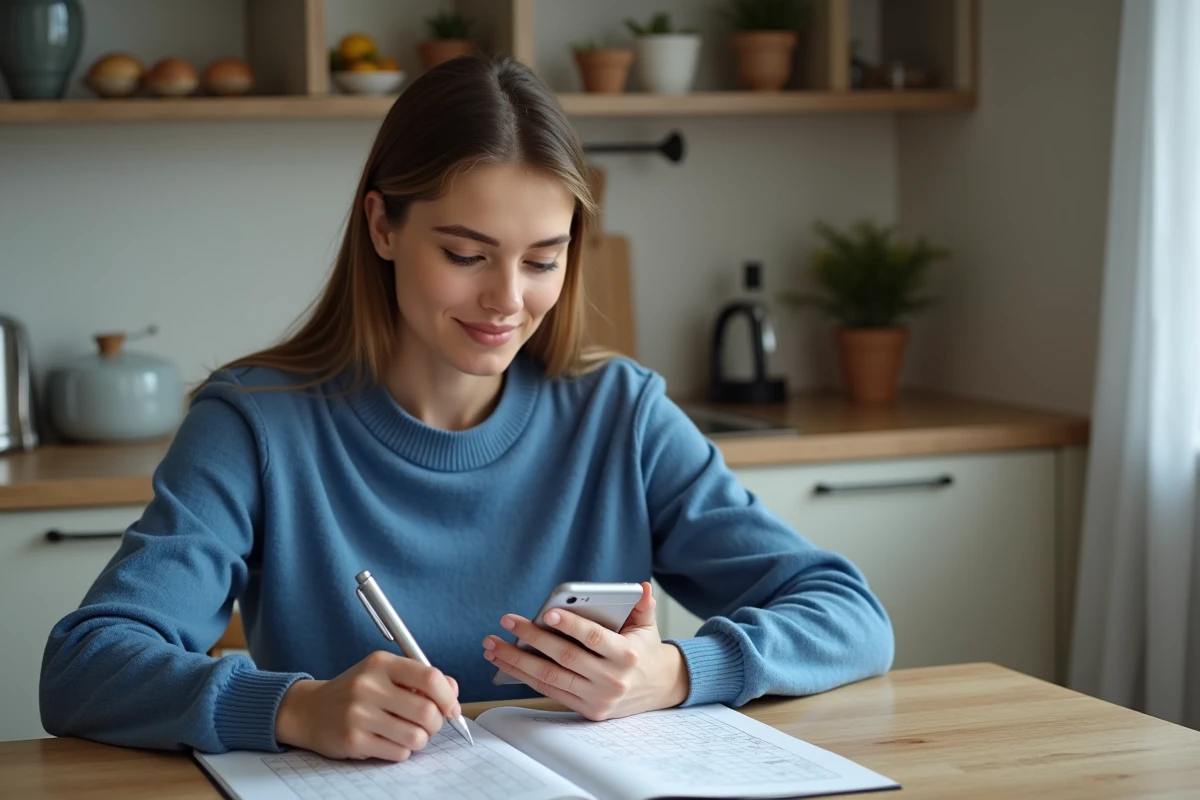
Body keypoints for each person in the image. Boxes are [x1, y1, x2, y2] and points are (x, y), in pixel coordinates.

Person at [39, 53, 894, 762]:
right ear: (382, 227)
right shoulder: (255, 425)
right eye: (465, 253)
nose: (506, 301)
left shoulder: (620, 416)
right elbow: (82, 667)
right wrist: (292, 708)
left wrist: (673, 671)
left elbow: (849, 615)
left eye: (542, 261)